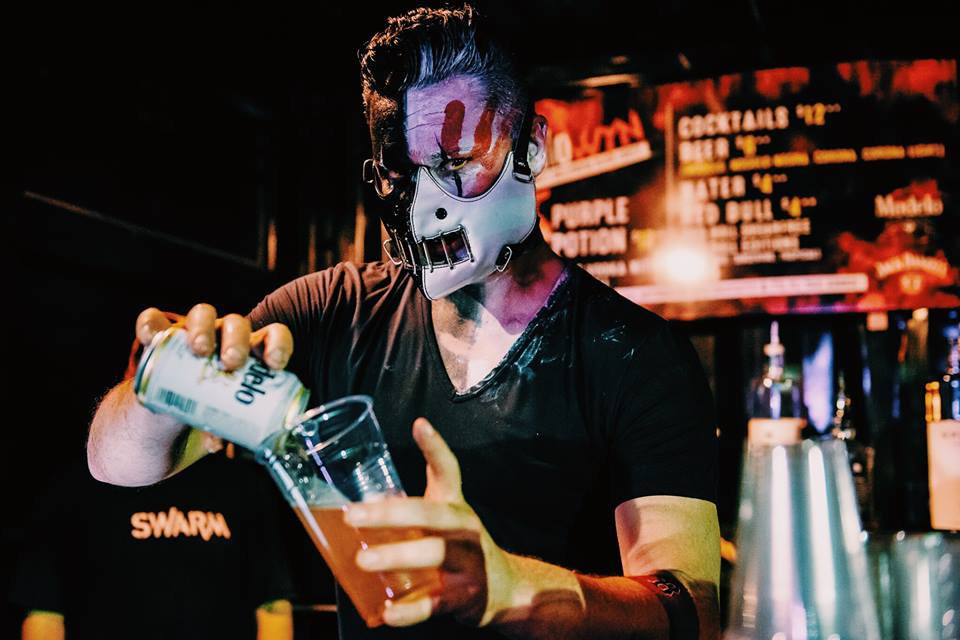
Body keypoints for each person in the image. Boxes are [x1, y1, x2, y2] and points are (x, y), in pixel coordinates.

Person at [87, 5, 721, 639]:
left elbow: (690, 609)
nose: (425, 207)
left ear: (530, 146)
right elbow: (115, 464)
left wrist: (514, 589)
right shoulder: (332, 312)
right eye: (401, 175)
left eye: (455, 165)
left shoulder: (633, 354)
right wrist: (164, 385)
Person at [11, 320, 297, 640]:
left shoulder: (241, 485)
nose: (173, 370)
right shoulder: (76, 488)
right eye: (156, 354)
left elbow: (273, 605)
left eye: (184, 357)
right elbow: (44, 613)